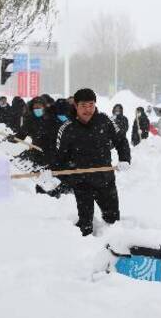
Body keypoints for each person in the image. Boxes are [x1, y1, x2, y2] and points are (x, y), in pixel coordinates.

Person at [52, 88, 131, 236]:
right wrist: (53, 173)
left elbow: (121, 140)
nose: (88, 110)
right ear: (75, 106)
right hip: (81, 182)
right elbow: (58, 158)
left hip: (105, 179)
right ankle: (85, 252)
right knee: (85, 224)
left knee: (112, 220)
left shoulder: (105, 121)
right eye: (83, 106)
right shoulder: (67, 128)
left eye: (91, 105)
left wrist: (125, 159)